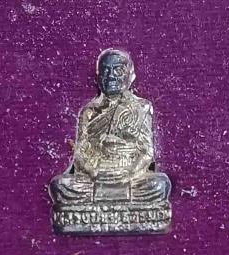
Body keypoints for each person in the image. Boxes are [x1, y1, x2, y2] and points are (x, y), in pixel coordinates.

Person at [50, 48, 171, 206]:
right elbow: (81, 154)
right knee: (60, 186)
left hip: (129, 175)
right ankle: (110, 196)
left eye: (118, 70)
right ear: (98, 77)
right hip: (96, 176)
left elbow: (147, 152)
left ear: (130, 75)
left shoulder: (141, 108)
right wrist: (95, 173)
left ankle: (113, 196)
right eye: (105, 71)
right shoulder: (89, 111)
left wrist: (129, 173)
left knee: (159, 185)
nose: (111, 76)